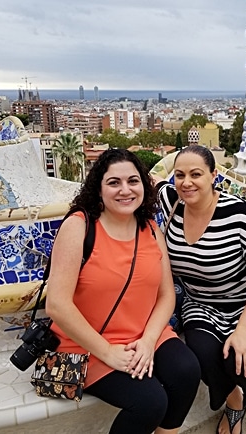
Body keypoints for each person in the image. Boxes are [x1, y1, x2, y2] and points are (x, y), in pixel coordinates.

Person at [46, 148, 201, 434]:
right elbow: (56, 305)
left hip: (142, 334)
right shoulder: (79, 227)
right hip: (86, 344)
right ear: (99, 189)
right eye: (114, 183)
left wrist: (148, 340)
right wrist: (107, 352)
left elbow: (166, 295)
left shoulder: (151, 229)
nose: (125, 190)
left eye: (133, 181)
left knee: (186, 371)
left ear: (143, 185)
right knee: (150, 402)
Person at [155, 145, 246, 434]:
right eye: (179, 175)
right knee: (202, 355)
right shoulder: (170, 202)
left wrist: (243, 330)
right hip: (201, 304)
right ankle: (234, 400)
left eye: (196, 174)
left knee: (243, 360)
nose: (186, 182)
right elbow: (140, 185)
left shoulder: (235, 214)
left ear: (214, 176)